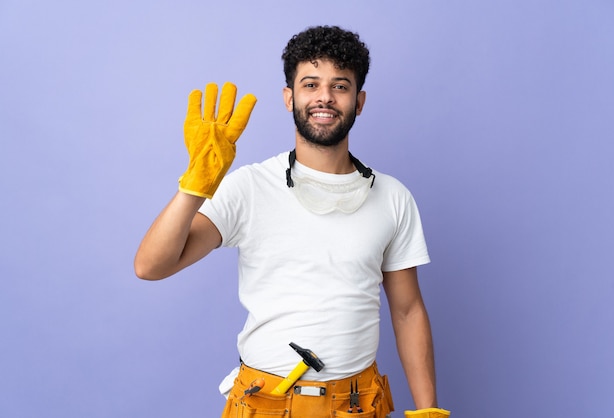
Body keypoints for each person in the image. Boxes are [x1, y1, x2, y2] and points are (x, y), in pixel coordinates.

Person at [135, 25, 450, 418]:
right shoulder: (249, 186)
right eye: (310, 84)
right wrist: (196, 185)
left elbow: (407, 310)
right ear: (289, 97)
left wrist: (428, 410)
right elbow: (151, 266)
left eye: (340, 86)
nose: (324, 97)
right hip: (263, 402)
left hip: (356, 405)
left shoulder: (393, 197)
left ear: (359, 100)